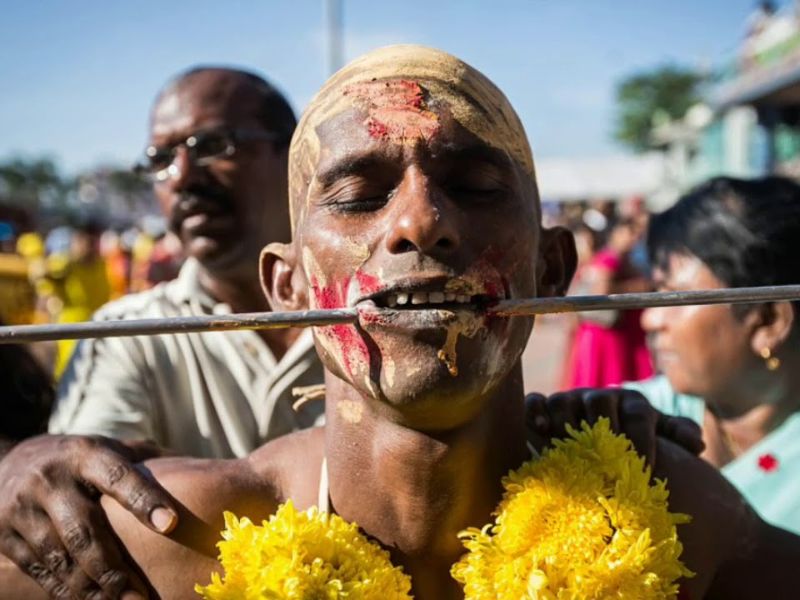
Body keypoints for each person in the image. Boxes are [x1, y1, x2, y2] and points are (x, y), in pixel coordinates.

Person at [4, 45, 796, 599]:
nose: (420, 221)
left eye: (475, 185)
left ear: (552, 270)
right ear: (287, 284)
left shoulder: (670, 528)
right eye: (357, 196)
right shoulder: (175, 536)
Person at [0, 66, 324, 599]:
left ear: (294, 158)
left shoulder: (379, 316)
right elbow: (80, 502)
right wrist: (36, 460)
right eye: (159, 160)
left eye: (212, 144)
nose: (182, 176)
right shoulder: (123, 335)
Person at [626, 176, 800, 535]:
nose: (650, 317)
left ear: (768, 320)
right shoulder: (635, 417)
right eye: (654, 294)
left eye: (674, 298)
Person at [562, 215, 653, 387]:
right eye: (630, 233)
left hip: (614, 334)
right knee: (607, 382)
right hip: (607, 335)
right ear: (616, 233)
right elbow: (602, 290)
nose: (634, 239)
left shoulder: (619, 258)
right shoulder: (609, 259)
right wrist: (639, 288)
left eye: (637, 234)